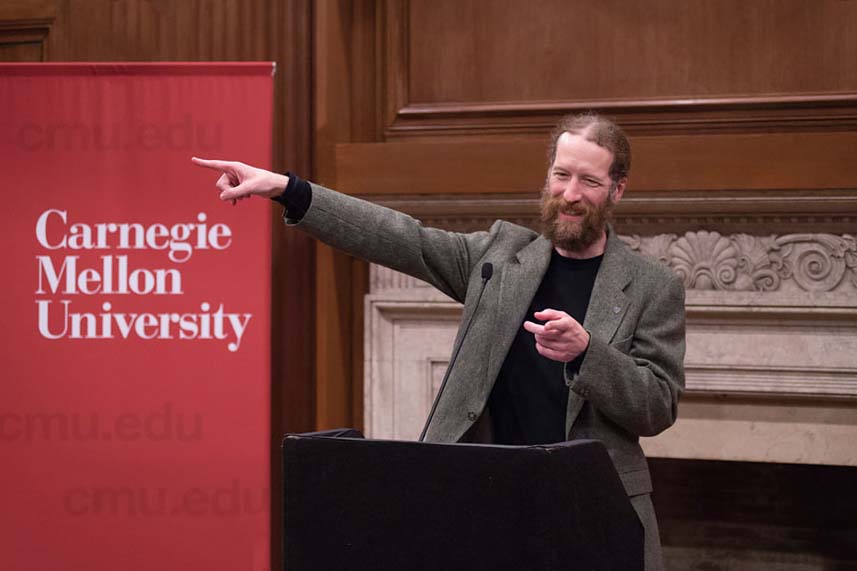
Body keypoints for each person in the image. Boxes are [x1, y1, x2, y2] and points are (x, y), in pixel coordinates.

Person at [193, 112, 685, 570]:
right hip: (482, 501)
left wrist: (588, 354)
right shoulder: (499, 257)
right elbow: (400, 238)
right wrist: (288, 189)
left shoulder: (650, 286)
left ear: (617, 191)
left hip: (585, 513)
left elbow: (657, 406)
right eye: (562, 175)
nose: (571, 193)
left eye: (590, 181)